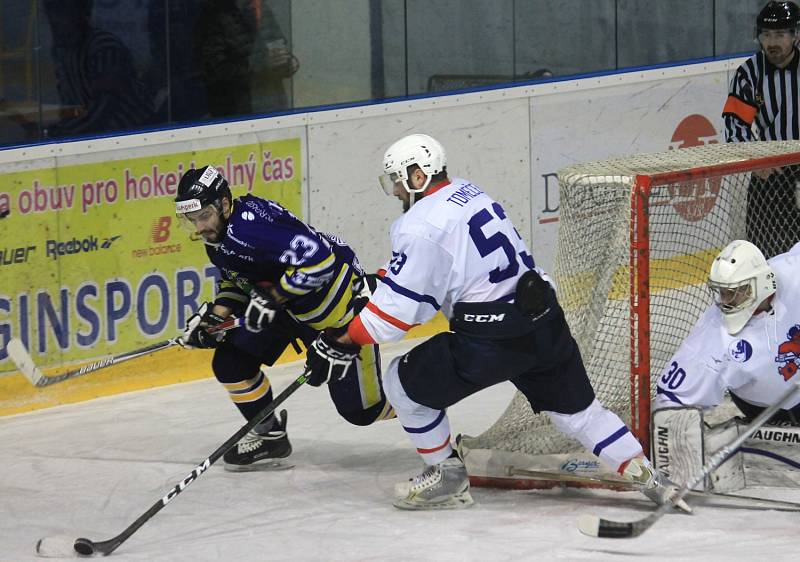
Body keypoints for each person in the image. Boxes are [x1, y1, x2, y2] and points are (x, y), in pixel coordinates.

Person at [303, 133, 685, 511]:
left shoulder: (419, 223)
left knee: (400, 382)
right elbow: (449, 262)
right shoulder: (469, 192)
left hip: (491, 340)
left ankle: (447, 476)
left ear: (418, 176)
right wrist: (389, 277)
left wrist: (344, 338)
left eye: (397, 182)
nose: (396, 193)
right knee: (581, 414)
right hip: (544, 322)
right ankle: (650, 477)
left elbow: (397, 316)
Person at [174, 165, 394, 471]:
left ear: (224, 204)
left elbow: (321, 262)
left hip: (333, 310)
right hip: (289, 307)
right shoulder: (218, 235)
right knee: (230, 363)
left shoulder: (251, 228)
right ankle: (270, 436)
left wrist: (274, 297)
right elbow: (236, 280)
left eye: (203, 216)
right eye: (192, 219)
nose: (199, 227)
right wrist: (216, 317)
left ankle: (422, 401)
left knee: (363, 412)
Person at [654, 239, 800, 423]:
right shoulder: (715, 336)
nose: (725, 300)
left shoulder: (793, 273)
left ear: (762, 283)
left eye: (733, 292)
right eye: (722, 292)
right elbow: (671, 402)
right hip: (769, 412)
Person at [722, 1, 800, 258]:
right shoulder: (749, 73)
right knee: (766, 257)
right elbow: (735, 125)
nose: (771, 42)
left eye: (779, 35)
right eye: (766, 35)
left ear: (795, 35)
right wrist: (756, 160)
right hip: (771, 174)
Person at [41, 0, 156, 139]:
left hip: (135, 136)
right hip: (100, 136)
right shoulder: (63, 52)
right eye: (51, 11)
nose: (55, 18)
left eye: (62, 11)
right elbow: (74, 106)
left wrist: (60, 133)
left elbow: (104, 111)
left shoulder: (104, 48)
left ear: (82, 13)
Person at [194, 0, 298, 118]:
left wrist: (287, 64)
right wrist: (259, 64)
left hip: (274, 108)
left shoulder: (263, 10)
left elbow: (279, 46)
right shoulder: (214, 17)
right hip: (237, 115)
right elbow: (213, 71)